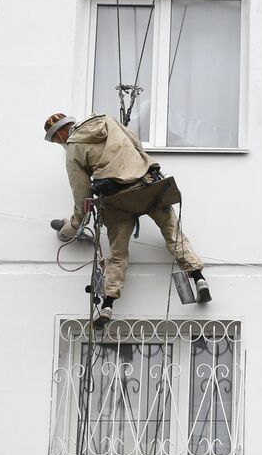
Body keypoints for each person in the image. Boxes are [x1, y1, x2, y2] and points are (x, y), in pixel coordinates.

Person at [44, 112, 209, 313]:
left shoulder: (73, 149)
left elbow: (81, 192)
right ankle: (198, 278)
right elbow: (135, 142)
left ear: (59, 133)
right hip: (148, 186)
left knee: (117, 254)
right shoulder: (108, 121)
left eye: (55, 139)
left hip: (117, 201)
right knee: (173, 234)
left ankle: (108, 304)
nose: (59, 143)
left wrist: (75, 225)